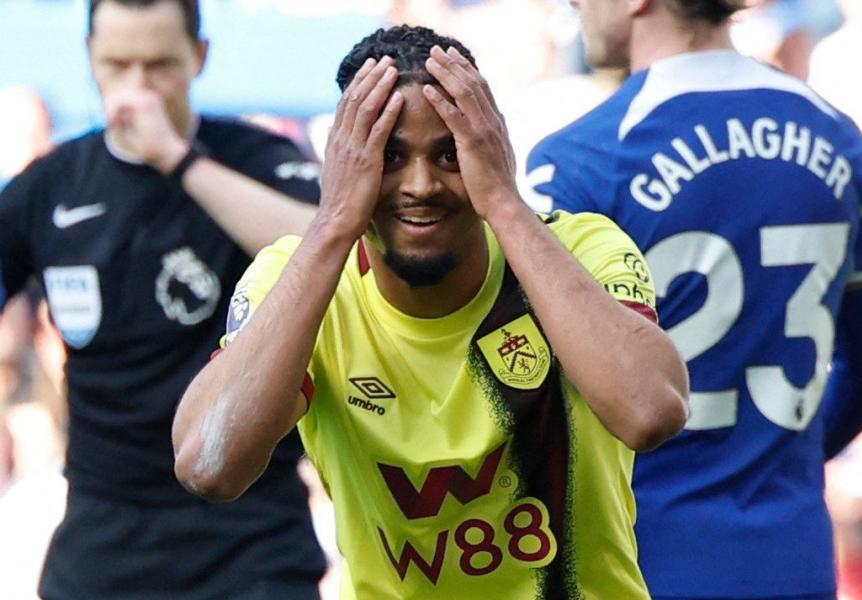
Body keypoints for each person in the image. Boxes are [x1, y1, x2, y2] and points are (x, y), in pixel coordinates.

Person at [172, 25, 689, 599]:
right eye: (388, 156)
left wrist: (501, 201)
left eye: (449, 154)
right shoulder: (298, 278)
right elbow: (208, 466)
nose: (420, 184)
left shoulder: (582, 249)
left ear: (489, 148)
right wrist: (334, 221)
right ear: (345, 161)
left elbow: (651, 412)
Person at [526, 1, 862, 599]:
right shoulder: (837, 135)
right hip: (793, 558)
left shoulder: (582, 161)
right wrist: (769, 461)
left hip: (640, 564)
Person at [0, 0, 327, 597]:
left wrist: (176, 160)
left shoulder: (255, 157)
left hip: (249, 531)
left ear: (199, 58)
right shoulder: (48, 186)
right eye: (118, 65)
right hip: (105, 525)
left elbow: (327, 249)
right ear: (90, 60)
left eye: (159, 66)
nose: (137, 88)